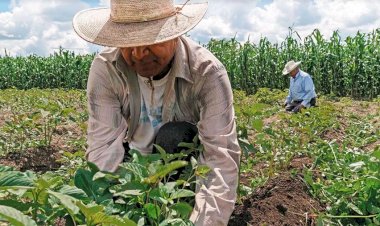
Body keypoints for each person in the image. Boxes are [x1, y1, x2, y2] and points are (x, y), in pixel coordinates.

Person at [72, 0, 241, 225]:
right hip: (131, 164)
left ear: (174, 33)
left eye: (151, 41)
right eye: (128, 43)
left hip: (182, 164)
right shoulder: (106, 68)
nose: (139, 54)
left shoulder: (207, 73)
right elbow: (103, 148)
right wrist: (108, 215)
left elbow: (220, 159)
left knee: (174, 134)